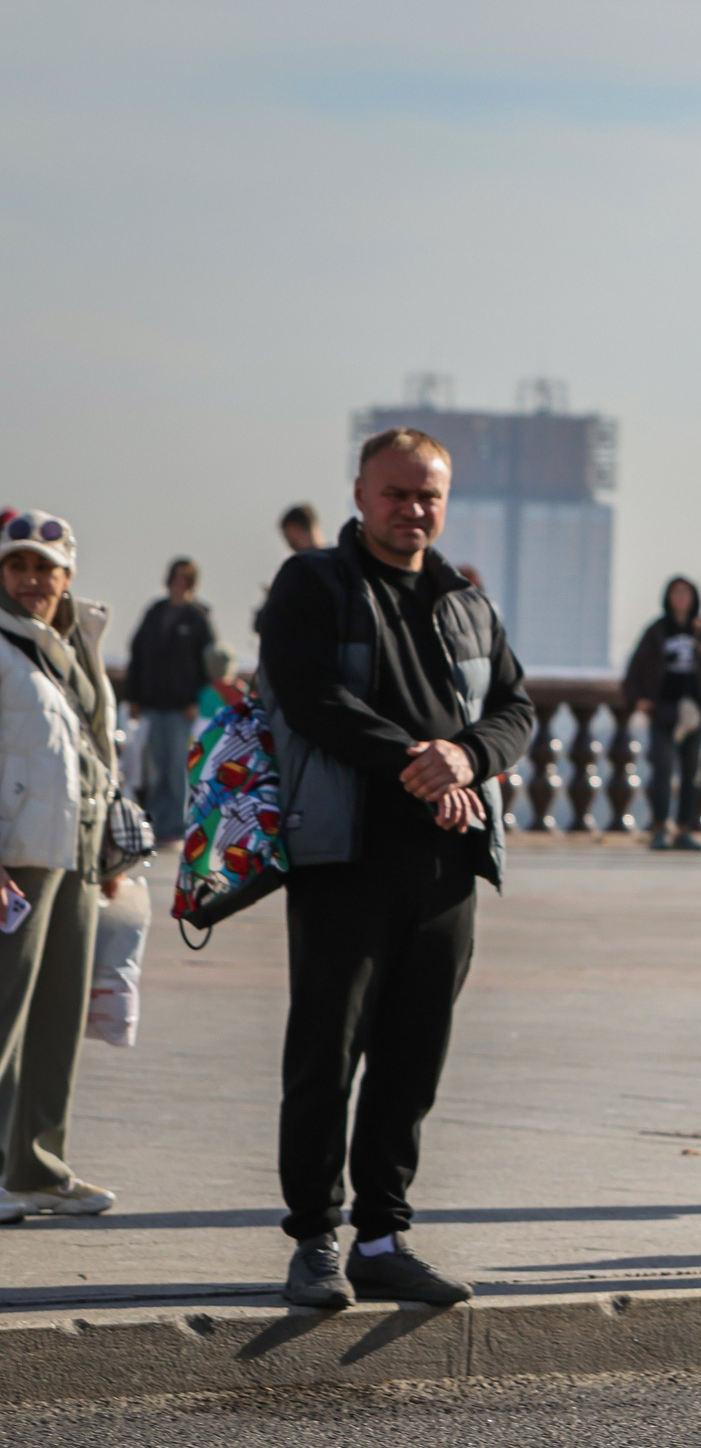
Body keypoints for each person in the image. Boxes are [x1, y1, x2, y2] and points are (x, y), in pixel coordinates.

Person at [258, 429, 536, 1309]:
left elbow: (517, 708)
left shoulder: (464, 600)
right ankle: (314, 1238)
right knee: (326, 1051)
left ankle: (383, 1234)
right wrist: (420, 761)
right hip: (343, 854)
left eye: (429, 495)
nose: (413, 509)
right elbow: (306, 694)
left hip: (445, 862)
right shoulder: (316, 583)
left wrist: (468, 758)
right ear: (359, 492)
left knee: (415, 1055)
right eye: (396, 493)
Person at [0, 509, 122, 1225]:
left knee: (55, 1017)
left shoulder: (73, 646)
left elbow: (93, 751)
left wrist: (108, 854)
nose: (32, 580)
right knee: (3, 1015)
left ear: (67, 576)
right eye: (17, 566)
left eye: (45, 568)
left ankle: (38, 1168)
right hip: (15, 856)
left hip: (72, 851)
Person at [622, 576, 701, 851]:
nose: (681, 598)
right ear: (668, 597)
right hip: (663, 710)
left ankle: (685, 828)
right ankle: (659, 827)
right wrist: (638, 700)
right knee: (662, 770)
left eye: (686, 593)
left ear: (694, 598)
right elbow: (636, 668)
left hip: (695, 710)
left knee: (691, 773)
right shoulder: (658, 631)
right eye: (676, 592)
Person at [124, 556, 218, 842]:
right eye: (175, 576)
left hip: (181, 707)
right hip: (153, 703)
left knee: (177, 768)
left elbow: (210, 664)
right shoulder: (155, 612)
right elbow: (137, 654)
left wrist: (196, 700)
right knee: (153, 769)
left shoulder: (198, 618)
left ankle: (176, 827)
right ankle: (152, 823)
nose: (179, 582)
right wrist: (134, 697)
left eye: (184, 578)